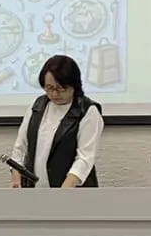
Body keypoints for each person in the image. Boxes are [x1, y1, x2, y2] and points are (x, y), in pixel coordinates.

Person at [8, 54, 103, 189]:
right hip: (37, 190)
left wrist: (64, 190)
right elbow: (21, 145)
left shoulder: (88, 111)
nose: (54, 94)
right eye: (49, 88)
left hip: (72, 192)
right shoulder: (37, 106)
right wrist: (16, 173)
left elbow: (85, 158)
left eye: (60, 88)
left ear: (74, 85)